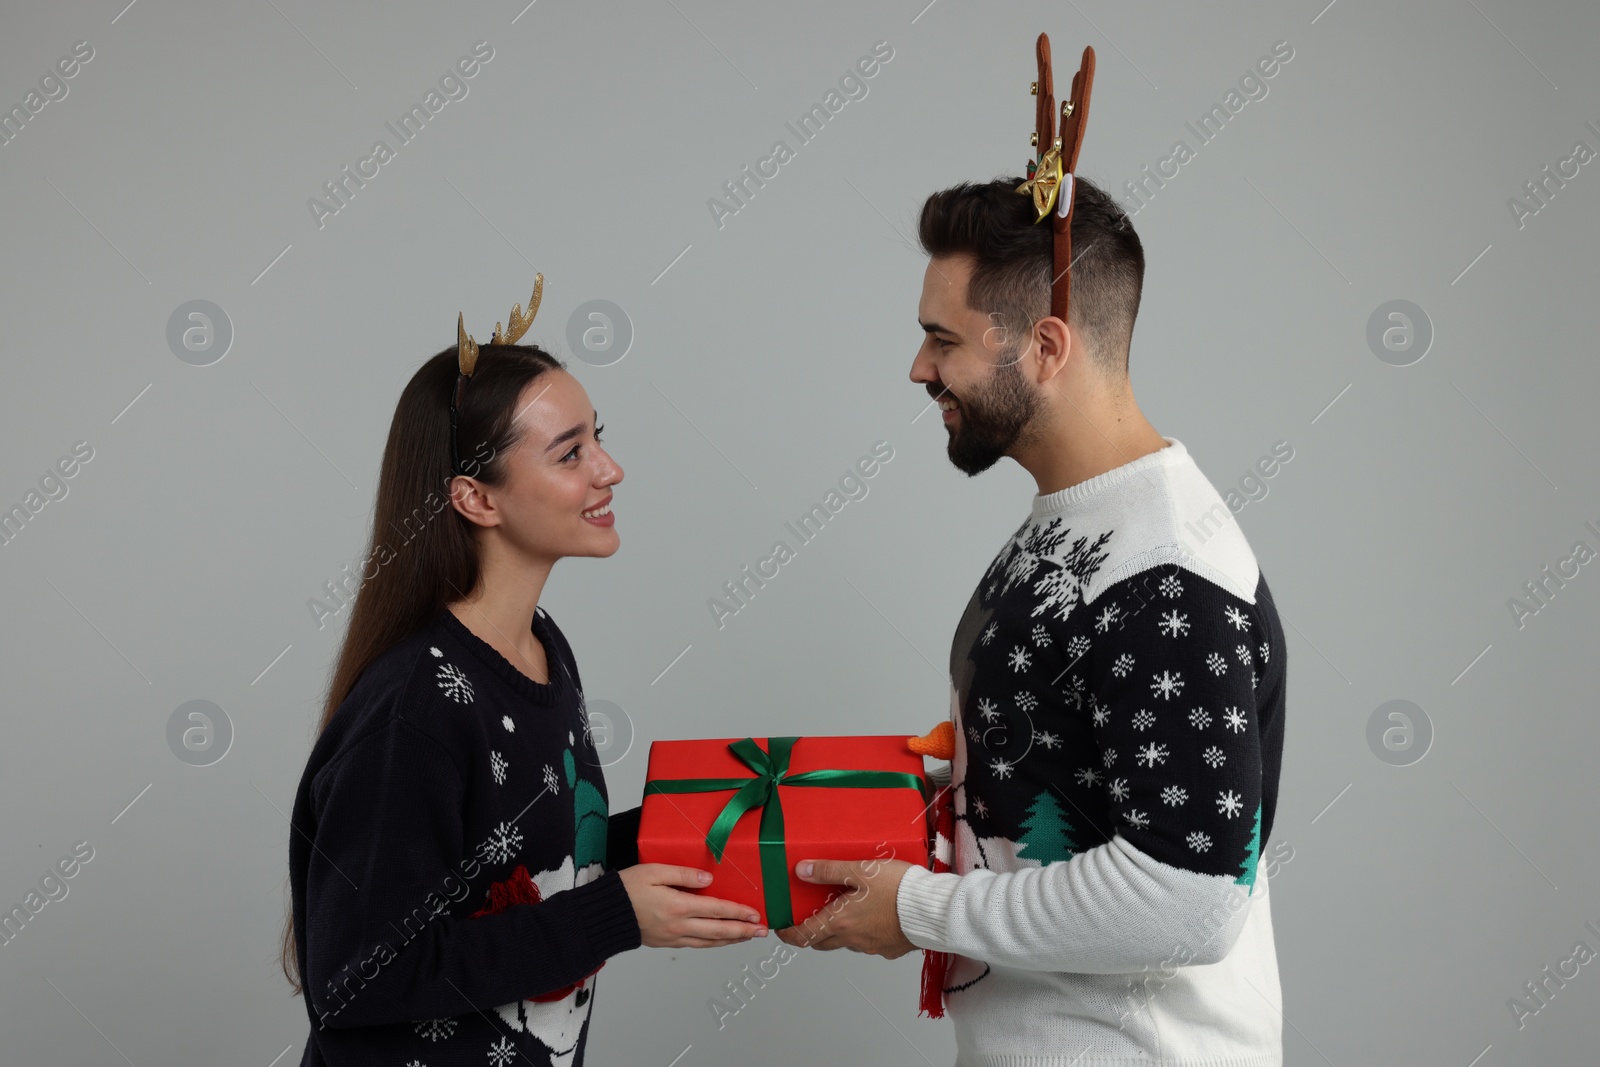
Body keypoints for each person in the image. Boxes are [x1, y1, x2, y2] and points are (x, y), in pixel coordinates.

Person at [777, 172, 1288, 1064]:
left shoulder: (1167, 569)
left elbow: (1188, 897)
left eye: (943, 339)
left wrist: (917, 906)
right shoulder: (1080, 520)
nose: (919, 367)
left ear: (1046, 347)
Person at [282, 285, 766, 1067]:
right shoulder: (416, 704)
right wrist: (616, 914)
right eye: (570, 452)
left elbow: (517, 867)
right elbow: (356, 977)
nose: (610, 468)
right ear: (475, 497)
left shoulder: (542, 646)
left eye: (597, 438)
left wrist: (680, 830)